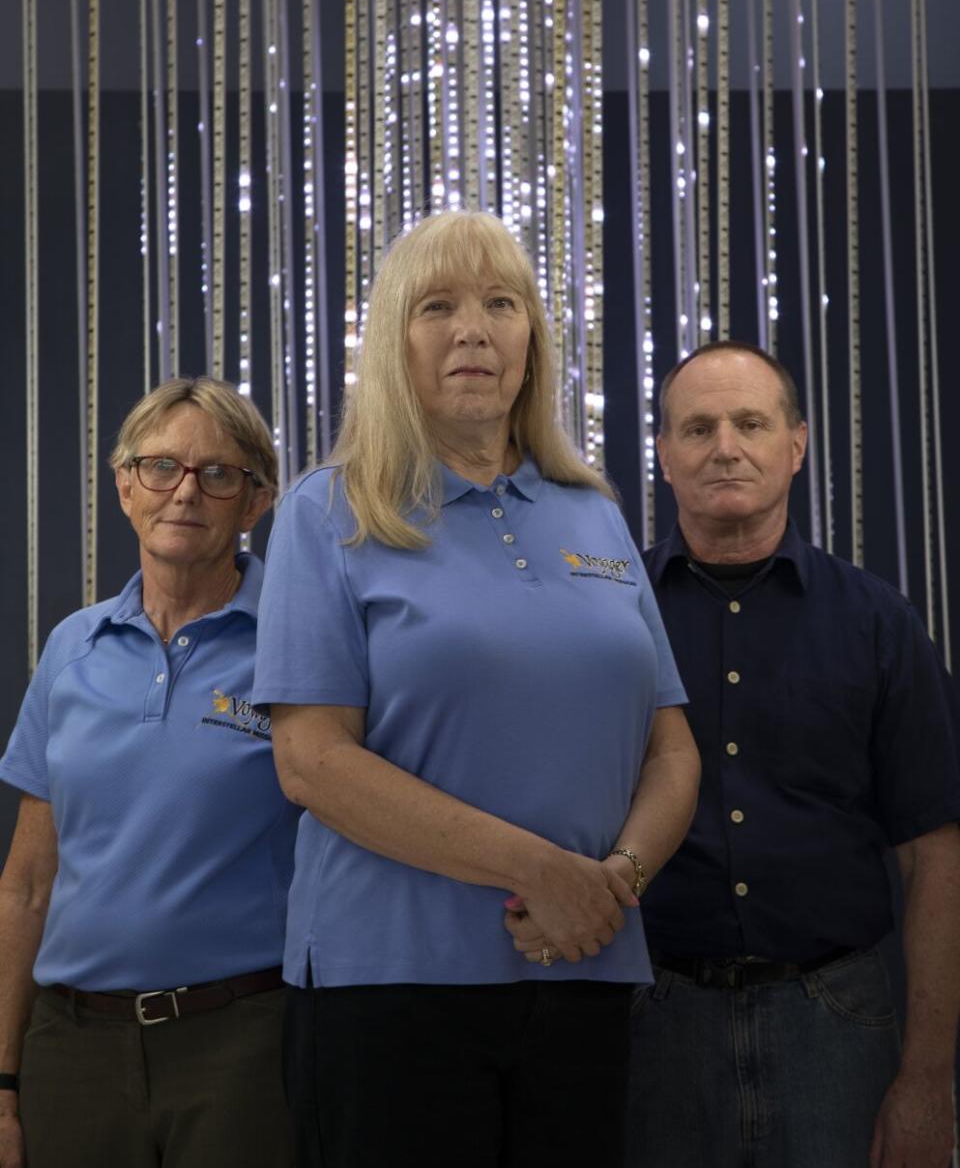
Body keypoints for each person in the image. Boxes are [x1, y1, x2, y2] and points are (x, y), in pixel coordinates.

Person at [251, 210, 701, 1168]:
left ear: (531, 338)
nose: (474, 329)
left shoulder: (595, 511)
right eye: (438, 306)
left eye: (502, 303)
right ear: (392, 341)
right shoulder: (328, 512)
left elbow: (672, 749)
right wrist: (538, 872)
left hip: (584, 967)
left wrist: (611, 885)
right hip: (388, 987)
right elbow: (312, 762)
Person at [628, 340, 960, 1168]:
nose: (725, 447)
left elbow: (936, 862)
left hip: (839, 1022)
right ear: (663, 455)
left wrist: (926, 1081)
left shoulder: (879, 625)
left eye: (750, 422)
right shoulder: (610, 620)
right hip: (653, 1021)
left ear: (797, 445)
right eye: (697, 428)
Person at [0, 377, 300, 1168]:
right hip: (71, 1049)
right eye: (160, 467)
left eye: (218, 473)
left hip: (241, 1046)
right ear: (125, 485)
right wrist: (1, 1079)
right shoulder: (72, 649)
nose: (185, 492)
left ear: (256, 502)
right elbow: (27, 885)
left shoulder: (300, 649)